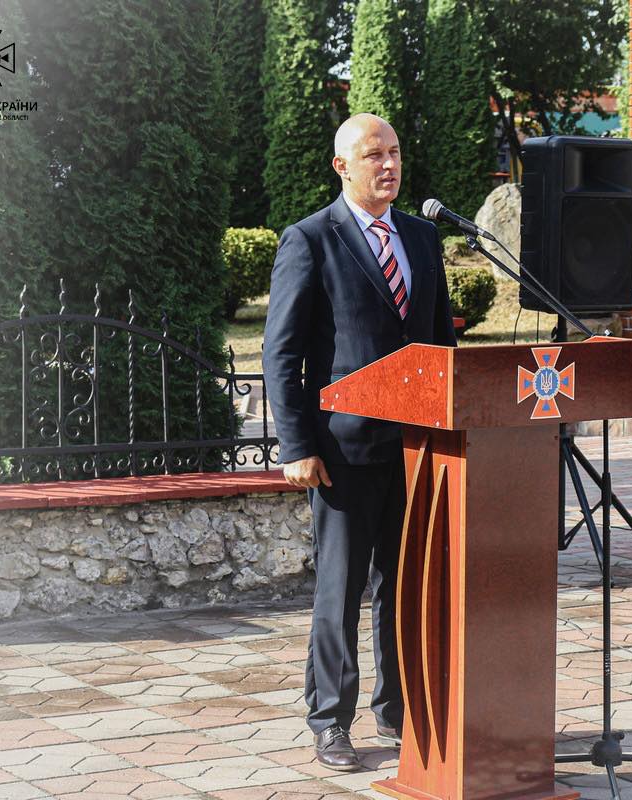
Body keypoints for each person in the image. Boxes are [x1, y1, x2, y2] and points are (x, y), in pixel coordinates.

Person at [262, 113, 457, 771]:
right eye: (374, 154)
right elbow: (281, 352)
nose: (389, 164)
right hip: (343, 451)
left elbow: (441, 346)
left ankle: (400, 714)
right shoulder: (311, 239)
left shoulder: (423, 238)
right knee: (340, 592)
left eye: (396, 151)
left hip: (417, 450)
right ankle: (330, 722)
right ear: (342, 165)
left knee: (406, 590)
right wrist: (296, 445)